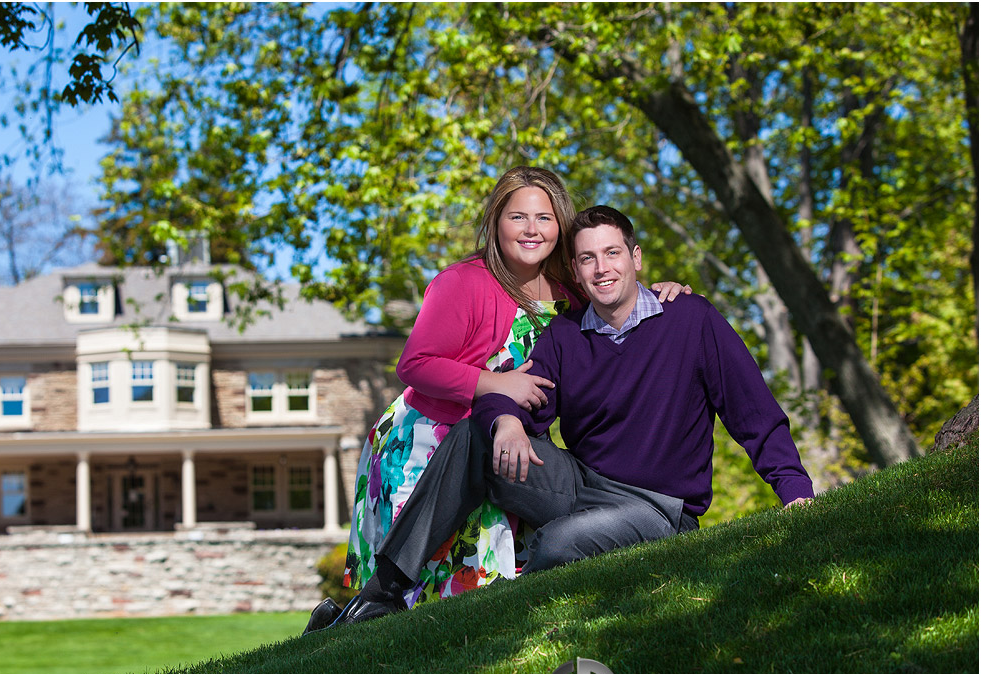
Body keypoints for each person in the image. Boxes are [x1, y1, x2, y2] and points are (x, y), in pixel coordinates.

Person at [324, 204, 814, 627]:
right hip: (582, 485)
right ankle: (379, 598)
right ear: (575, 274)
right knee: (476, 433)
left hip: (658, 509)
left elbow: (753, 411)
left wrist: (795, 493)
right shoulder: (566, 334)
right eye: (587, 259)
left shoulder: (691, 319)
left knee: (560, 541)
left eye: (612, 253)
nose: (602, 268)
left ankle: (497, 627)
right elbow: (513, 394)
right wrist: (508, 421)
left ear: (636, 258)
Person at [306, 175, 690, 633]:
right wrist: (493, 384)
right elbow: (416, 363)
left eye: (544, 217)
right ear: (496, 223)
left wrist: (664, 292)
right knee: (427, 584)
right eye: (518, 217)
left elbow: (618, 300)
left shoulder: (570, 290)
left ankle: (338, 625)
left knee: (471, 591)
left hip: (506, 444)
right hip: (431, 442)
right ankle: (358, 620)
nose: (532, 229)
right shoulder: (464, 282)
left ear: (560, 225)